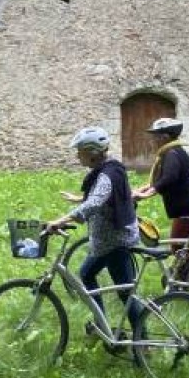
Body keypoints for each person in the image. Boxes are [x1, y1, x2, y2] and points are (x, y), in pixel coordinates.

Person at [47, 127, 141, 336]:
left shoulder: (107, 175)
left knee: (126, 293)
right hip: (108, 241)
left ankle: (144, 343)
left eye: (79, 150)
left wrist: (61, 220)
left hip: (116, 242)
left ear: (91, 152)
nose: (77, 155)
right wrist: (79, 199)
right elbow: (104, 196)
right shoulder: (112, 168)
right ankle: (103, 324)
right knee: (87, 274)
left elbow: (97, 201)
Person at [132, 117, 189, 244]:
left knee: (178, 249)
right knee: (181, 250)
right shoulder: (172, 152)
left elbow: (168, 179)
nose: (152, 140)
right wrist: (138, 191)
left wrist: (146, 194)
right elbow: (157, 181)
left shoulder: (171, 154)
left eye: (155, 136)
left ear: (165, 137)